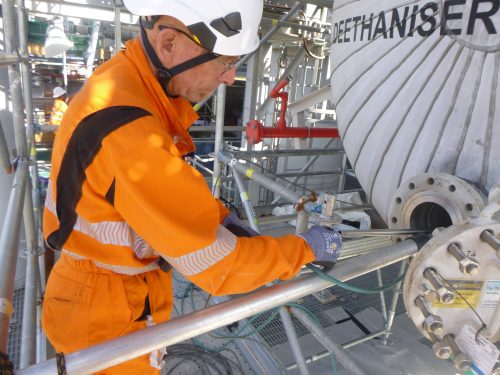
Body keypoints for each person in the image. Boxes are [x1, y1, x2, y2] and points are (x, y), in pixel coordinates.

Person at [41, 1, 342, 373]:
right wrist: (305, 249)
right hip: (108, 320)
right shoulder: (133, 136)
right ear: (169, 43)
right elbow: (222, 267)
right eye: (225, 63)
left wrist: (223, 217)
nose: (230, 79)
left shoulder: (126, 84)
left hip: (99, 297)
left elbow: (161, 193)